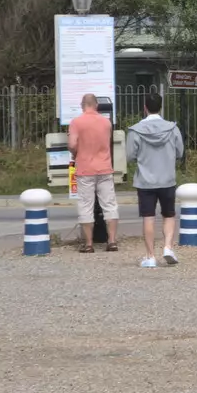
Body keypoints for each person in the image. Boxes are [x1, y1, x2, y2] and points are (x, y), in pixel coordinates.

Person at [125, 92, 185, 268]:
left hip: (145, 181)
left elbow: (129, 156)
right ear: (161, 107)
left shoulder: (135, 130)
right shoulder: (172, 128)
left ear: (145, 108)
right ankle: (168, 247)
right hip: (167, 178)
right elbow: (180, 152)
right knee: (169, 214)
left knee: (148, 217)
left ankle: (150, 256)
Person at [68, 92, 120, 253]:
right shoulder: (106, 123)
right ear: (96, 105)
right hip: (104, 167)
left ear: (82, 106)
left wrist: (76, 153)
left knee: (86, 205)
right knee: (109, 204)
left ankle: (89, 244)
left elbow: (72, 144)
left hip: (85, 169)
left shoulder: (76, 122)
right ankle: (111, 241)